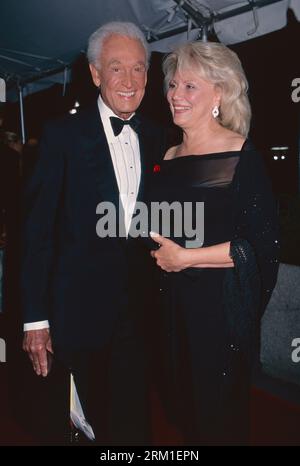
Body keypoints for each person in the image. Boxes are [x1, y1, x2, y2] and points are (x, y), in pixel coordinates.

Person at [21, 21, 166, 445]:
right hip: (75, 317)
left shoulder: (157, 136)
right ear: (95, 74)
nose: (129, 80)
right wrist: (35, 320)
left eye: (138, 69)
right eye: (116, 68)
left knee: (133, 425)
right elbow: (37, 232)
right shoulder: (61, 136)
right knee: (79, 426)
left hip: (139, 318)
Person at [146, 41, 280, 445]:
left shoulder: (239, 154)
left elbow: (259, 245)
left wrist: (185, 257)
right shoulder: (167, 155)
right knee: (183, 408)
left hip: (217, 310)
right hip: (170, 307)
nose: (175, 95)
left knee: (216, 413)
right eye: (173, 84)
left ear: (219, 93)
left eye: (190, 86)